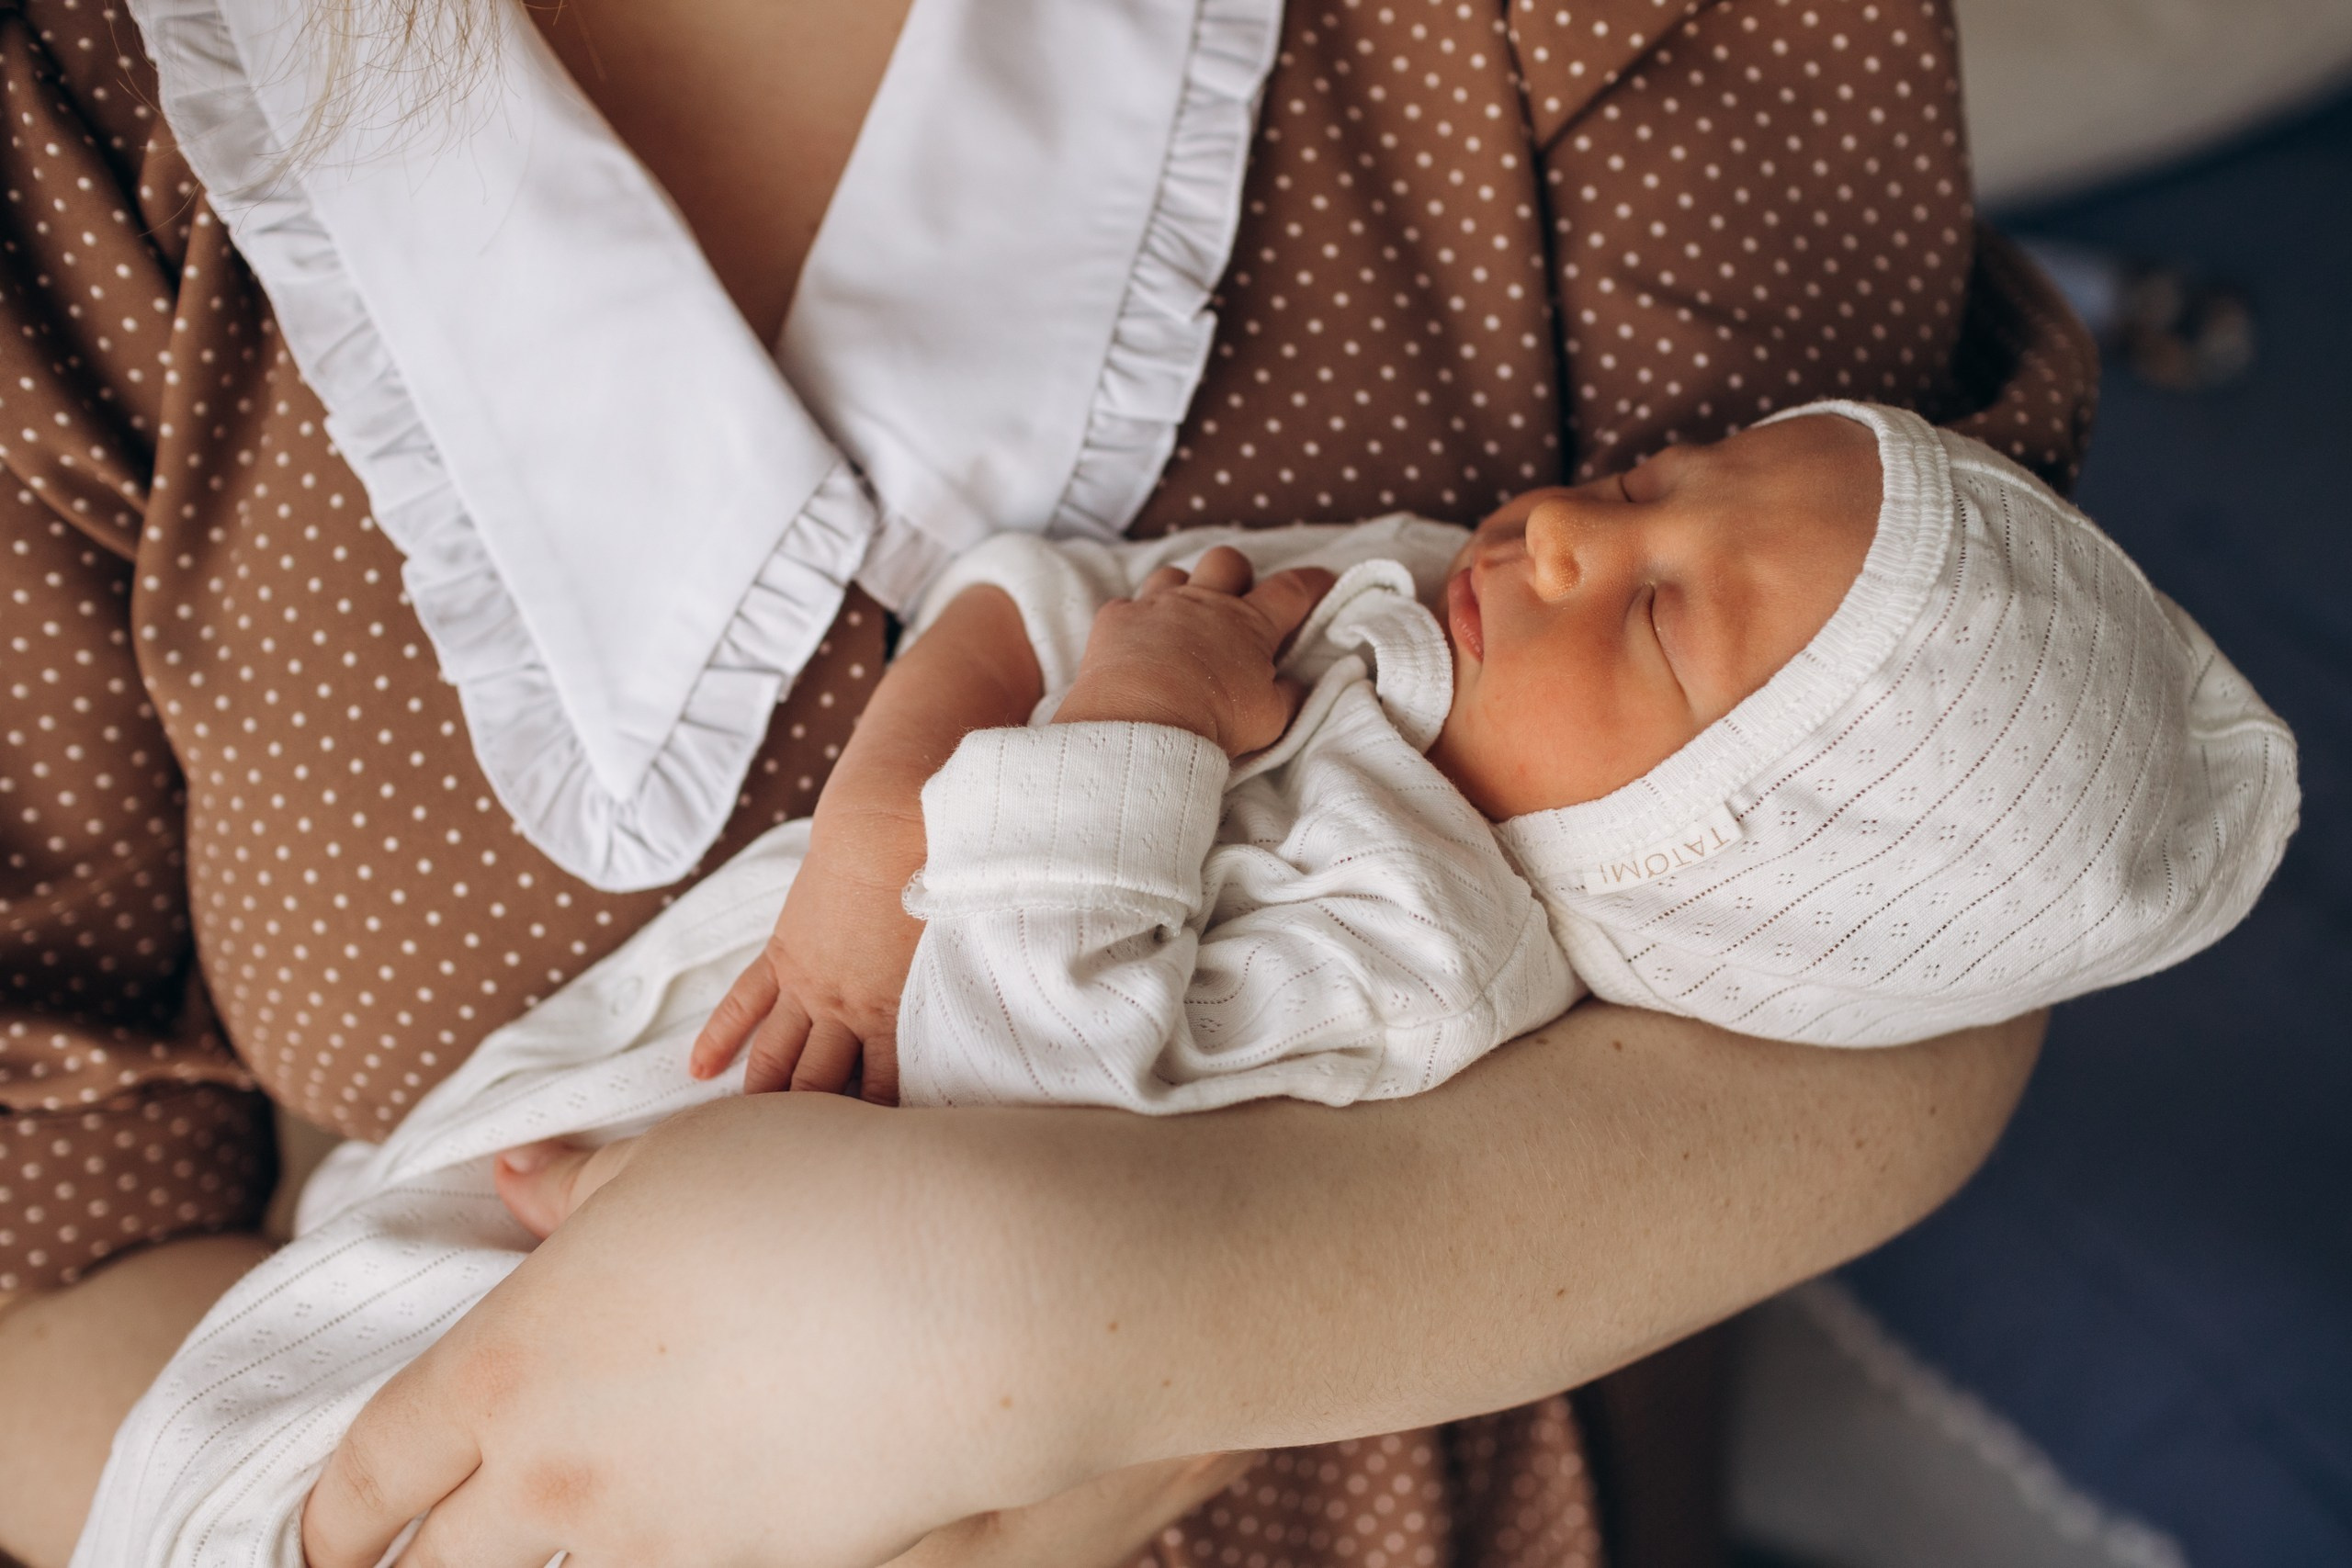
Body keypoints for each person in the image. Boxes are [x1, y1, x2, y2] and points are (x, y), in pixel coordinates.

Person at [0, 0, 2101, 1562]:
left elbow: (1919, 876)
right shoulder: (80, 110)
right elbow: (40, 1256)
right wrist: (475, 1493)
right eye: (1624, 499)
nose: (1566, 531)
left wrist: (1073, 1320)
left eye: (1645, 586)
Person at [85, 400, 2292, 1563]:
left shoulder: (1425, 961)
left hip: (718, 1283)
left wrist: (1132, 743)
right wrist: (876, 829)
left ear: (1704, 869)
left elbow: (1024, 1083)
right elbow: (1047, 593)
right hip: (531, 1169)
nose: (1570, 537)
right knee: (235, 1416)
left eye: (1657, 627)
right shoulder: (1391, 625)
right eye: (1647, 483)